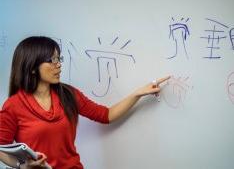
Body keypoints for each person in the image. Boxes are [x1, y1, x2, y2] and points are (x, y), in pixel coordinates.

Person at [0, 36, 170, 169]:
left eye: (59, 59)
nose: (59, 65)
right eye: (52, 60)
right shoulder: (14, 105)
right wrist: (22, 166)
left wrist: (138, 93)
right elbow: (1, 148)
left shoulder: (68, 94)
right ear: (32, 67)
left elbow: (106, 115)